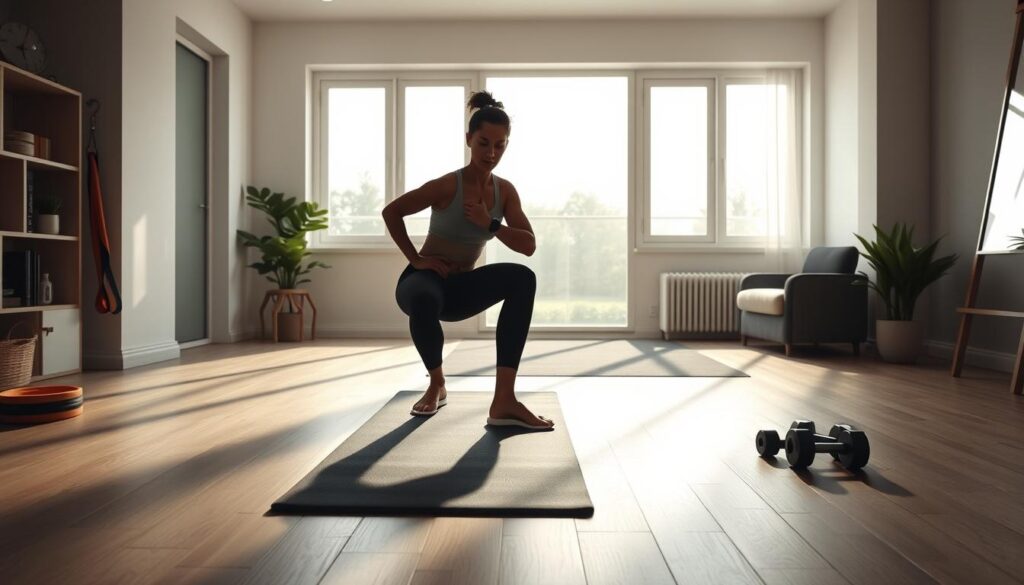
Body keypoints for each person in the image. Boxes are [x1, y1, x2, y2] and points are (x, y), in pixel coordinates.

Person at [382, 90, 554, 431]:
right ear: (468, 140)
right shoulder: (448, 185)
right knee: (424, 296)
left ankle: (504, 400)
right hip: (423, 282)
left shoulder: (504, 192)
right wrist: (416, 258)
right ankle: (437, 383)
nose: (491, 153)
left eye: (500, 145)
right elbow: (392, 212)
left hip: (460, 289)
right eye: (484, 143)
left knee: (523, 277)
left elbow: (529, 245)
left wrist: (489, 223)